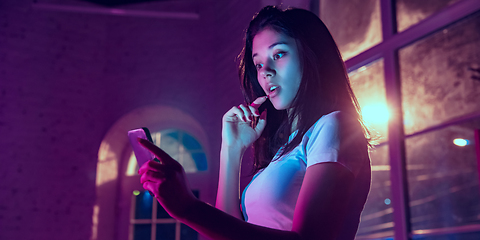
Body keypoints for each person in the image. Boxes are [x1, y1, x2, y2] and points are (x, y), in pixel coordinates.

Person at [138, 6, 371, 240]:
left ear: (313, 55)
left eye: (278, 54)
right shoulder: (285, 149)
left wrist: (188, 207)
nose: (265, 72)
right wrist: (231, 150)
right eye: (258, 64)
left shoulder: (334, 125)